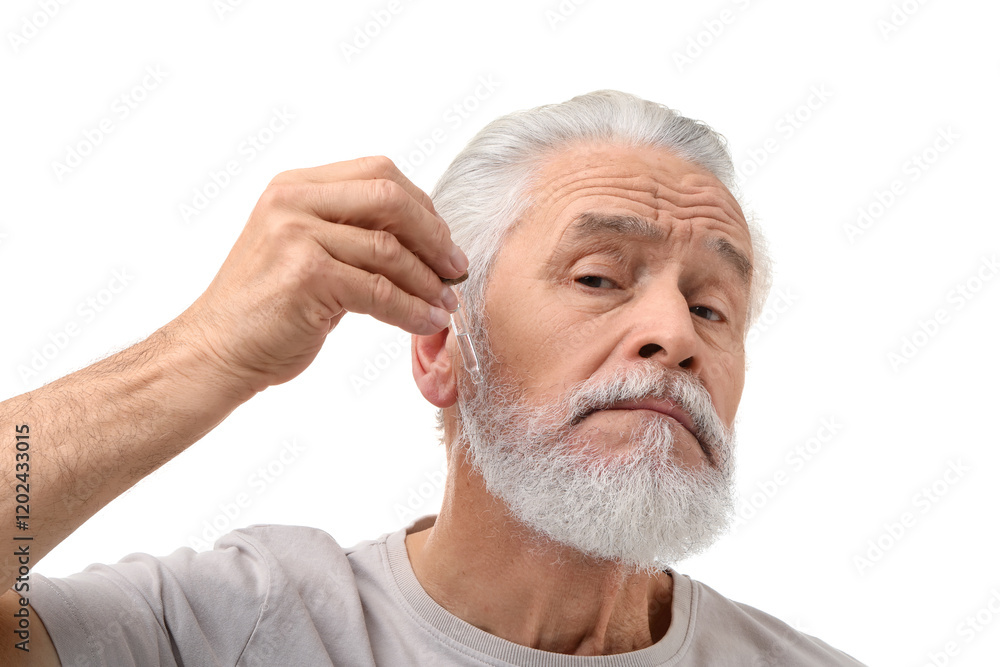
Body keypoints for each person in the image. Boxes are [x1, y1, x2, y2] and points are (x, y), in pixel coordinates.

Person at [0, 90, 865, 665]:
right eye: (600, 277)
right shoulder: (231, 627)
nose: (676, 334)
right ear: (443, 346)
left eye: (714, 307)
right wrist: (207, 352)